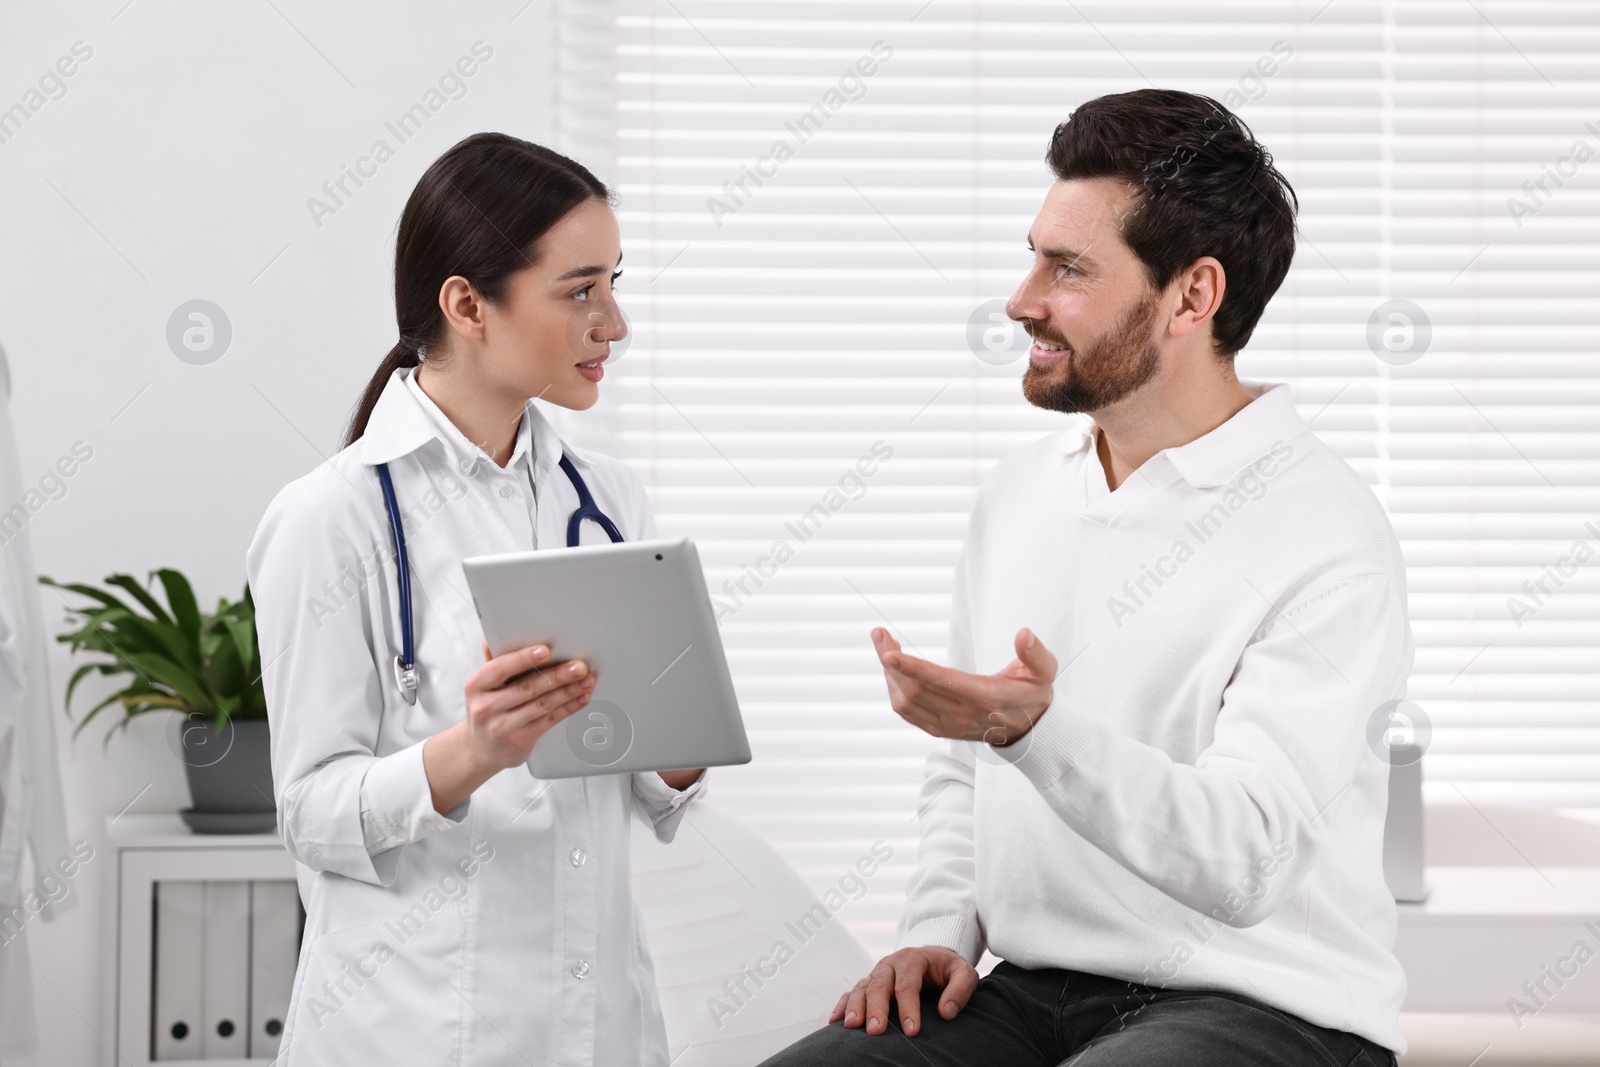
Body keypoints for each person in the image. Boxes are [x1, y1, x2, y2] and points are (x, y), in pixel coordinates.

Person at [761, 89, 1410, 1066]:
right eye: (1033, 256)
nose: (1022, 298)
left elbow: (1245, 860)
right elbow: (961, 766)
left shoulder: (1324, 529)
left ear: (1192, 295)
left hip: (1268, 1003)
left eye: (1066, 269)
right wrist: (939, 927)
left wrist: (1029, 730)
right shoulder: (1020, 495)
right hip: (1026, 990)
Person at [246, 132, 706, 1066]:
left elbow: (642, 785)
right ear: (467, 304)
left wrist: (682, 750)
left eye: (616, 282)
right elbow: (312, 814)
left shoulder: (608, 502)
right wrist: (472, 752)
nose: (614, 323)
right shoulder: (330, 519)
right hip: (416, 1029)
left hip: (599, 1029)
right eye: (581, 289)